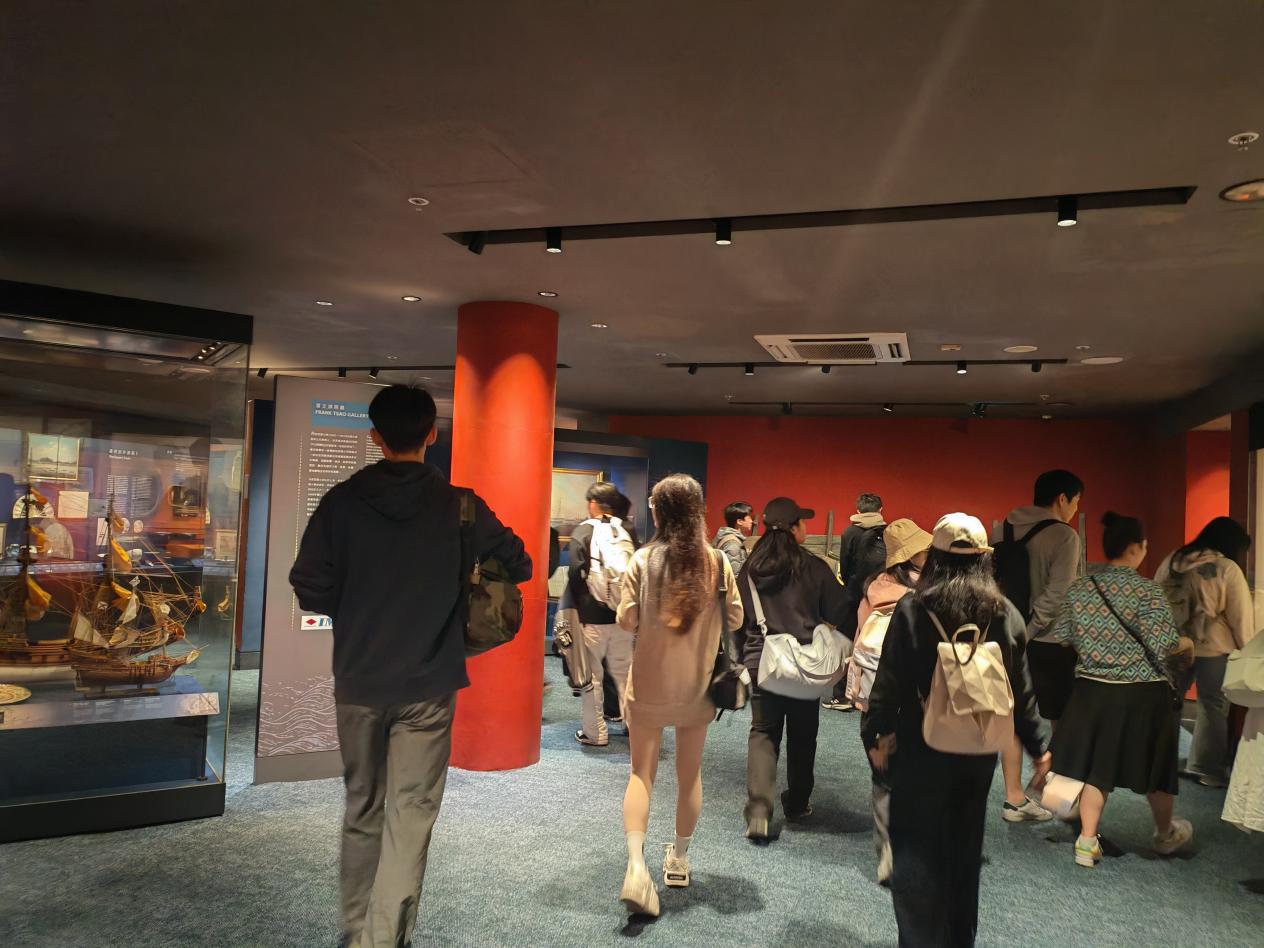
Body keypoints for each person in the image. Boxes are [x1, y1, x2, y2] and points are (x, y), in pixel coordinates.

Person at [289, 385, 531, 948]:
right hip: (428, 681)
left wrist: (357, 608)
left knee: (362, 804)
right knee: (411, 811)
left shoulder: (341, 503)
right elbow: (519, 561)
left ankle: (357, 931)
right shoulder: (460, 505)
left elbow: (309, 586)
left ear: (375, 436)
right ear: (432, 434)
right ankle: (383, 937)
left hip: (358, 678)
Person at [862, 513, 1051, 948]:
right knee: (964, 853)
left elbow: (889, 683)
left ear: (935, 557)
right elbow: (1021, 691)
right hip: (977, 750)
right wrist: (1039, 745)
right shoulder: (1005, 613)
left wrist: (876, 734)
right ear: (984, 558)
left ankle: (918, 939)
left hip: (920, 746)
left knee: (915, 850)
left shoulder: (914, 608)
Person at [614, 474, 743, 916]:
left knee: (640, 775)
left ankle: (636, 867)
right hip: (697, 689)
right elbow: (735, 619)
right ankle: (680, 859)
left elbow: (627, 620)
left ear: (660, 513)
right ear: (698, 512)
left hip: (649, 686)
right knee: (690, 775)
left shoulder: (643, 561)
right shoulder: (717, 562)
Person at [1049, 512, 1195, 868]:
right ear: (1136, 548)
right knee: (1156, 770)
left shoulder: (1081, 588)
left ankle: (1086, 840)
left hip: (1092, 691)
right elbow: (1165, 644)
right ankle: (1165, 834)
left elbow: (1063, 636)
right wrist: (1189, 643)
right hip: (1143, 694)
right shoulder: (1148, 591)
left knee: (1094, 767)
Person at [736, 496, 851, 840]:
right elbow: (841, 610)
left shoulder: (750, 569)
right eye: (803, 522)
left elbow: (736, 618)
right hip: (804, 666)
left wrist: (743, 658)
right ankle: (798, 803)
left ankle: (759, 810)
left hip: (762, 662)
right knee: (803, 735)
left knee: (763, 732)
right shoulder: (814, 567)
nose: (806, 527)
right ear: (794, 528)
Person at [993, 468, 1084, 823]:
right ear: (1062, 498)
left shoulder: (1004, 528)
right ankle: (1057, 796)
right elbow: (1058, 595)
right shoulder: (1065, 536)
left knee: (1013, 716)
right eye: (1076, 501)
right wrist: (1028, 631)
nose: (1075, 509)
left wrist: (1013, 634)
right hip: (1049, 641)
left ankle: (1014, 798)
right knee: (1064, 719)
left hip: (1004, 637)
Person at [855, 518, 933, 885]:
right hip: (916, 702)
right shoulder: (929, 595)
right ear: (910, 556)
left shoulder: (873, 589)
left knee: (883, 777)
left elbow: (860, 639)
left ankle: (886, 850)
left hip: (878, 700)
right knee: (918, 775)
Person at [1155, 516, 1255, 787]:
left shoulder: (1173, 561)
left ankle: (1159, 763)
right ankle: (1207, 770)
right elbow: (1240, 616)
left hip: (1173, 646)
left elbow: (1155, 601)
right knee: (1212, 707)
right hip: (1213, 650)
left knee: (1168, 704)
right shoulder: (1226, 568)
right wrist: (1247, 650)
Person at [569, 481, 635, 746]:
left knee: (592, 676)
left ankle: (595, 733)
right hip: (623, 617)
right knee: (625, 675)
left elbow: (575, 574)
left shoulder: (583, 531)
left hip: (592, 616)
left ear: (593, 503)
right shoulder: (627, 529)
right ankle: (635, 727)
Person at [825, 492, 888, 711]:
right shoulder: (888, 532)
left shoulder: (849, 533)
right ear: (880, 510)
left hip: (854, 595)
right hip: (882, 597)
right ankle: (872, 694)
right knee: (878, 644)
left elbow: (845, 566)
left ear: (858, 510)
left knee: (846, 643)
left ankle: (842, 696)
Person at [713, 500, 754, 574]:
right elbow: (735, 575)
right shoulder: (732, 544)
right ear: (739, 521)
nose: (752, 521)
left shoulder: (728, 538)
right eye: (749, 518)